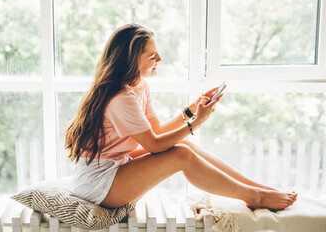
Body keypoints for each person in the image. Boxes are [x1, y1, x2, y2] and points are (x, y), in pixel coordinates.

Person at [65, 23, 297, 210]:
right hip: (97, 181)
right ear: (132, 60)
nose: (160, 60)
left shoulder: (139, 86)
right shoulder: (121, 97)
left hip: (113, 164)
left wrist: (191, 110)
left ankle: (259, 189)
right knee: (182, 155)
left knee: (184, 144)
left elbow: (156, 131)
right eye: (153, 56)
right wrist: (196, 123)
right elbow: (155, 145)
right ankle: (254, 196)